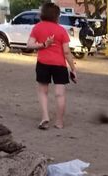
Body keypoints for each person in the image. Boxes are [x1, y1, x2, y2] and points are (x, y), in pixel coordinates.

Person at [26, 2, 77, 130]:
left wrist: (43, 45)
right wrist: (73, 68)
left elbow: (29, 45)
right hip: (59, 65)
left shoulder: (37, 27)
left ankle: (45, 117)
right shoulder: (61, 30)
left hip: (43, 63)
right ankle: (59, 122)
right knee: (60, 94)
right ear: (56, 16)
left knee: (43, 92)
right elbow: (66, 52)